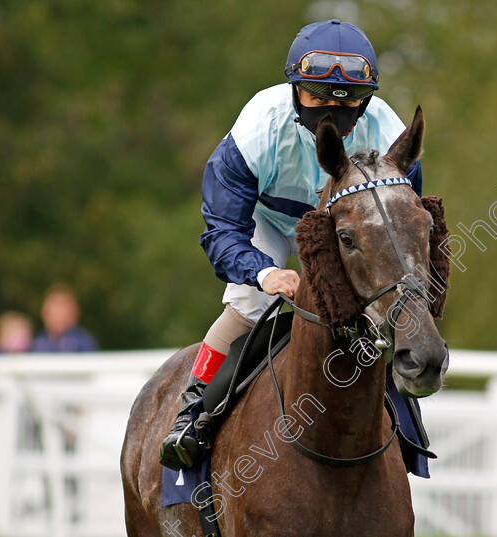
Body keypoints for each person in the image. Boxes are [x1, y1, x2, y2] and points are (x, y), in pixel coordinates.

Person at [159, 19, 423, 470]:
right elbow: (222, 229)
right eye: (318, 97)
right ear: (294, 88)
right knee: (247, 305)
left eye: (348, 103)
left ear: (366, 101)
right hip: (267, 219)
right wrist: (265, 272)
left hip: (343, 225)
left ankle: (405, 424)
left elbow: (400, 231)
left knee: (378, 300)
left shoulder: (389, 131)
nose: (332, 114)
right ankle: (192, 409)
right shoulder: (258, 127)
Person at [32, 283, 98, 352]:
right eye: (55, 309)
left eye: (63, 309)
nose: (59, 315)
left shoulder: (85, 344)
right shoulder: (35, 343)